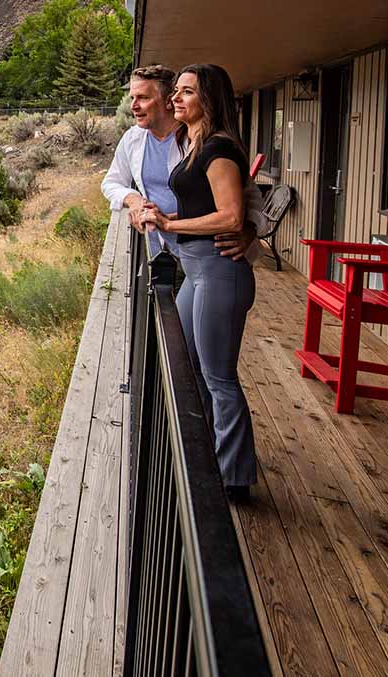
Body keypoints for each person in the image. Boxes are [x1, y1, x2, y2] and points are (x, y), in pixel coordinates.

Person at [140, 63, 258, 502]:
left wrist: (172, 223)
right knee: (190, 367)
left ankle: (235, 479)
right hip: (197, 271)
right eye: (177, 91)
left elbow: (231, 215)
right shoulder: (193, 143)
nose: (176, 98)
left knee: (218, 377)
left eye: (186, 92)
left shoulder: (219, 150)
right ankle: (208, 454)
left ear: (208, 99)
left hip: (218, 272)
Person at [101, 65, 263, 265]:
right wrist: (133, 199)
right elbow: (111, 183)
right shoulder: (132, 139)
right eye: (132, 98)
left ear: (168, 100)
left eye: (143, 98)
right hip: (163, 250)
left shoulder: (202, 140)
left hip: (213, 253)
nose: (134, 106)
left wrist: (250, 229)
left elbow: (249, 195)